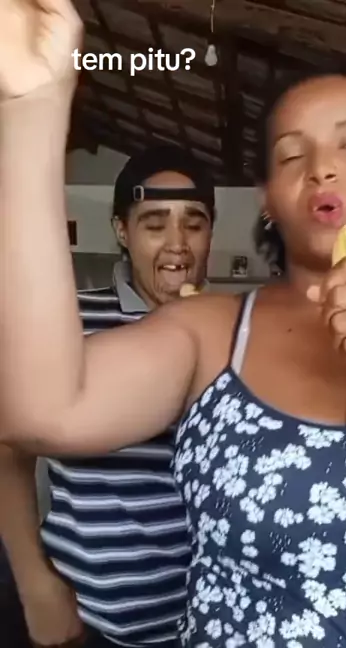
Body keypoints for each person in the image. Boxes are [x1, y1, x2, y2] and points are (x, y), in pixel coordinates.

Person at [1, 1, 346, 645]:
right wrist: (33, 107)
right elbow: (40, 412)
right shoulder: (211, 332)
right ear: (267, 201)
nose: (322, 167)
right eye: (291, 155)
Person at [0, 143, 215, 648]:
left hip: (204, 625)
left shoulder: (236, 331)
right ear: (122, 230)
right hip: (87, 619)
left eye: (194, 224)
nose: (177, 245)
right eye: (154, 224)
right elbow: (7, 449)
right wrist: (34, 585)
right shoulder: (68, 324)